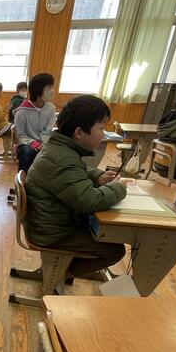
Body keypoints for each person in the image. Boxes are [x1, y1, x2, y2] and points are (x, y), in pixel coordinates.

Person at [24, 95, 128, 281]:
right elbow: (89, 201)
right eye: (101, 127)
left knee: (103, 231)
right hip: (53, 232)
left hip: (49, 223)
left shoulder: (60, 149)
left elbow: (76, 172)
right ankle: (61, 275)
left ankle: (62, 269)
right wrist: (119, 188)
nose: (103, 134)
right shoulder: (63, 159)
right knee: (115, 250)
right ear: (79, 132)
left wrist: (96, 176)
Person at [13, 73, 56, 173]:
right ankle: (23, 180)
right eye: (49, 87)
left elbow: (48, 130)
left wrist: (42, 143)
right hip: (25, 144)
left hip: (44, 142)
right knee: (28, 152)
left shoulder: (50, 108)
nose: (52, 90)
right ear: (39, 89)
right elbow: (20, 136)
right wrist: (33, 143)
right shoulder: (21, 112)